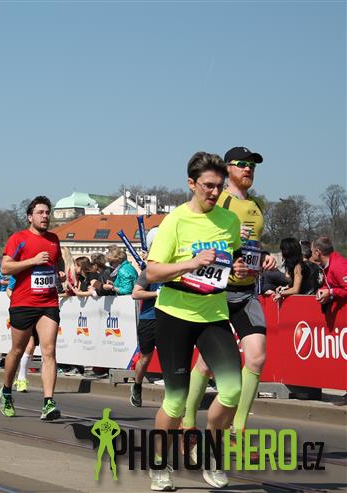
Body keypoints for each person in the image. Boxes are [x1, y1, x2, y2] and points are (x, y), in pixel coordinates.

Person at [146, 151, 248, 490]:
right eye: (208, 186)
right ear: (191, 184)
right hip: (175, 315)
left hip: (213, 314)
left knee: (232, 389)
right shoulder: (175, 221)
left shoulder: (229, 221)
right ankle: (159, 464)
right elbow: (152, 272)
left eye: (219, 186)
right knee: (176, 401)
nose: (214, 192)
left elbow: (231, 260)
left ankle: (212, 455)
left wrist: (239, 268)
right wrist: (190, 263)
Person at [180, 147, 277, 466]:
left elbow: (252, 246)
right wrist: (226, 257)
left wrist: (264, 258)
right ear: (227, 168)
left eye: (253, 166)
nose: (249, 169)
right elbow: (202, 238)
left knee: (257, 357)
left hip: (247, 293)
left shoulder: (256, 206)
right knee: (207, 365)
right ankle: (188, 423)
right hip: (219, 293)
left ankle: (238, 430)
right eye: (242, 164)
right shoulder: (218, 199)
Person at [0, 195, 65, 421]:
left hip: (48, 302)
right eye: (40, 213)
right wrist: (32, 261)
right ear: (30, 217)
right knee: (17, 351)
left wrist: (60, 271)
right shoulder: (18, 238)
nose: (45, 216)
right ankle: (6, 391)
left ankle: (48, 402)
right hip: (23, 302)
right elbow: (5, 268)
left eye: (47, 213)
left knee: (49, 350)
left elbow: (58, 260)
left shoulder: (54, 239)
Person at [130, 227, 160, 407]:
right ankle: (137, 385)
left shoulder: (174, 269)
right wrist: (157, 294)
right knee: (146, 358)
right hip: (149, 318)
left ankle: (176, 395)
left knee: (170, 357)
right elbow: (136, 294)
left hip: (169, 318)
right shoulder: (148, 271)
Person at [311, 236, 347, 305]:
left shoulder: (338, 266)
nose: (311, 254)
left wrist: (330, 292)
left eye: (312, 251)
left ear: (317, 252)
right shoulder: (328, 265)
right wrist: (323, 291)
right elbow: (331, 285)